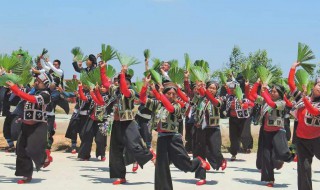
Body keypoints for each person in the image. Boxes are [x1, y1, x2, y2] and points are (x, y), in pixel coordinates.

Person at [140, 76, 210, 190]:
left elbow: (170, 109)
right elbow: (143, 99)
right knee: (161, 166)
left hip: (174, 138)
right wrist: (145, 86)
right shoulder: (157, 104)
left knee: (184, 164)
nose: (171, 96)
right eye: (169, 94)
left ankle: (198, 162)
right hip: (162, 138)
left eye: (174, 94)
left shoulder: (177, 106)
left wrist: (161, 94)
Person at [109, 65, 154, 185]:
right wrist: (103, 68)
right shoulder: (115, 91)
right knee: (115, 151)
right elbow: (105, 83)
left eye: (127, 82)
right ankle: (120, 176)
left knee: (134, 146)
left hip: (128, 123)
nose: (124, 84)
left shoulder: (130, 92)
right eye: (121, 81)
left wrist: (123, 74)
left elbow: (124, 89)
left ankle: (150, 155)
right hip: (117, 123)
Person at [6, 72, 53, 184]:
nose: (36, 82)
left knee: (32, 149)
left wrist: (15, 89)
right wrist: (5, 75)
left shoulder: (46, 95)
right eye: (36, 80)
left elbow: (30, 99)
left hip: (38, 126)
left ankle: (44, 156)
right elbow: (22, 95)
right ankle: (27, 175)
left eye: (39, 81)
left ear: (45, 84)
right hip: (25, 125)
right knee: (20, 150)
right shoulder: (32, 91)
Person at [289, 62, 320, 190]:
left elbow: (314, 112)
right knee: (304, 169)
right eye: (319, 85)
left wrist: (305, 98)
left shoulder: (307, 100)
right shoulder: (302, 99)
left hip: (318, 139)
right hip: (302, 140)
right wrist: (293, 68)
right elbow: (291, 84)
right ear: (313, 86)